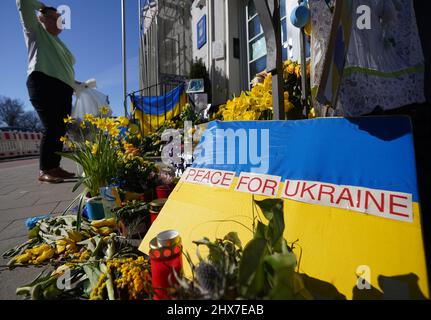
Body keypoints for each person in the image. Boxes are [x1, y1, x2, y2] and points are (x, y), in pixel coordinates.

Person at [16, 0, 77, 183]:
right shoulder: (36, 31)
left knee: (60, 128)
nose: (61, 24)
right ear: (43, 18)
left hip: (64, 87)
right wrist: (43, 6)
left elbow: (63, 68)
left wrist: (78, 85)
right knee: (52, 126)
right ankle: (44, 169)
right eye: (57, 19)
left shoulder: (59, 44)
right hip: (43, 82)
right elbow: (24, 2)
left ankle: (54, 166)